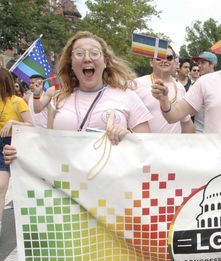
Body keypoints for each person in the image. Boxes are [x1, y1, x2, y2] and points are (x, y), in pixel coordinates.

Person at [3, 31, 152, 164]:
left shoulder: (127, 96)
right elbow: (47, 146)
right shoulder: (58, 99)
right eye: (79, 53)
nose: (87, 59)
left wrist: (128, 136)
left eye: (94, 53)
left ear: (105, 61)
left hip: (111, 188)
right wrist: (20, 153)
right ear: (71, 63)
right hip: (67, 188)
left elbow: (149, 147)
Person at [0, 68, 33, 236]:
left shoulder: (17, 101)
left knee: (2, 186)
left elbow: (30, 125)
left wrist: (13, 122)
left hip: (12, 145)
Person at [135, 46, 194, 133]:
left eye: (169, 58)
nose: (164, 61)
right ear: (151, 62)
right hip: (146, 145)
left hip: (174, 145)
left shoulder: (180, 87)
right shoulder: (136, 84)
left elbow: (186, 121)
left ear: (174, 61)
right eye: (159, 58)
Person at [191, 51, 218, 133]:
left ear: (212, 65)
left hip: (218, 134)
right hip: (199, 133)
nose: (199, 66)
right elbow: (190, 111)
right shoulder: (197, 84)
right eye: (199, 63)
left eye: (203, 63)